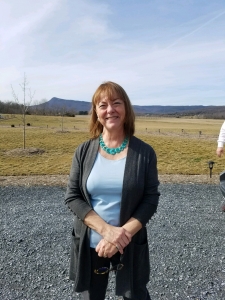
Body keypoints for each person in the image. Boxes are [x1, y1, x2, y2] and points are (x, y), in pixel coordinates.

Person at [65, 81, 160, 300]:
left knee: (135, 295)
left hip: (130, 242)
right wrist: (107, 232)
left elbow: (150, 199)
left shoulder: (145, 153)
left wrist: (120, 236)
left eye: (116, 103)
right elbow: (73, 196)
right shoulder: (83, 151)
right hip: (91, 245)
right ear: (96, 113)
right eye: (103, 105)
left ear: (126, 108)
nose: (110, 110)